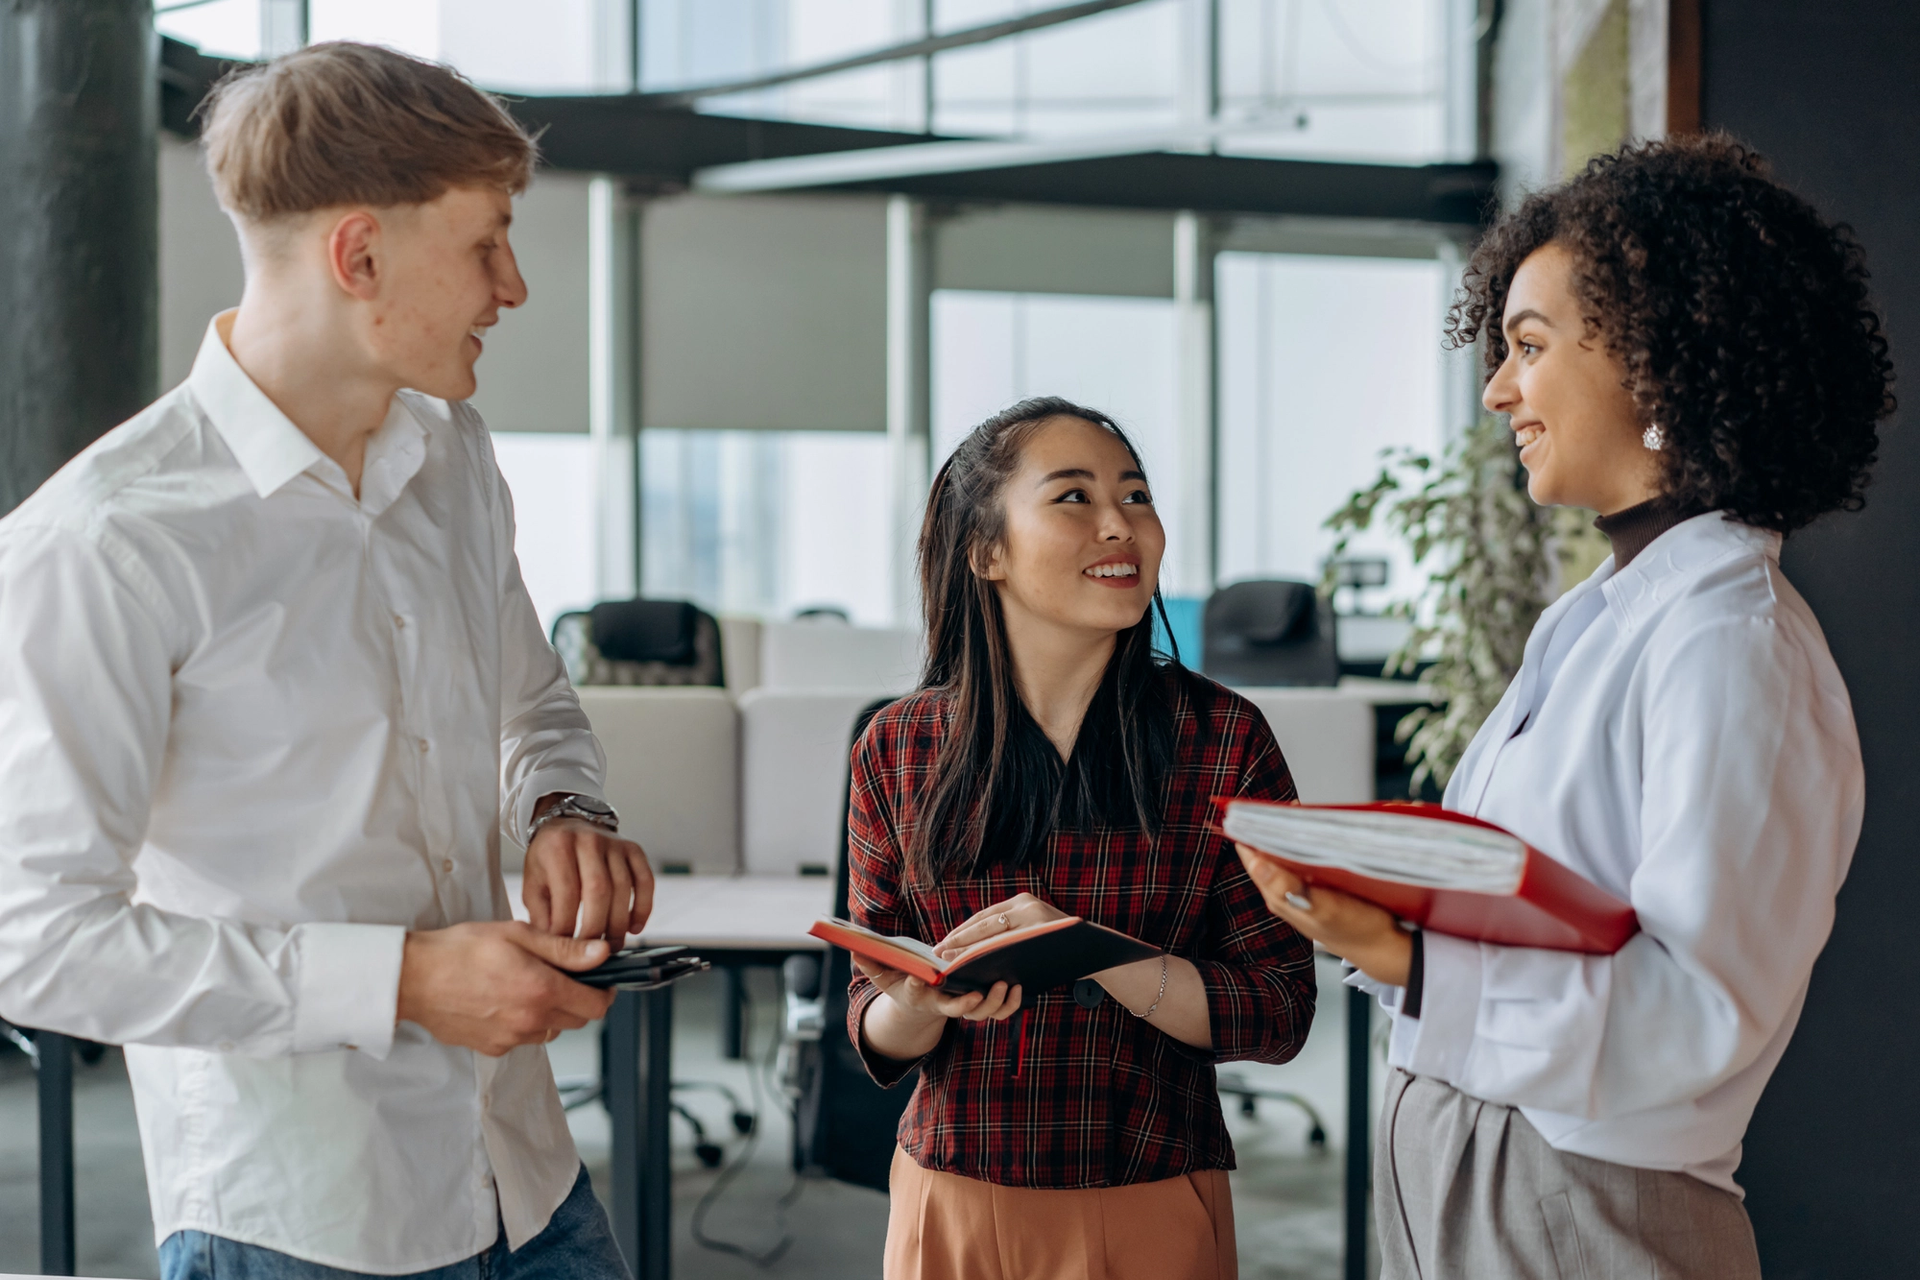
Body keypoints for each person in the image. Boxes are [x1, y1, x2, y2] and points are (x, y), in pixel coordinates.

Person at [0, 44, 655, 1280]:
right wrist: (403, 982)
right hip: (306, 1213)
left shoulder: (453, 457)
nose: (512, 286)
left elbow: (533, 706)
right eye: (486, 244)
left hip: (523, 1170)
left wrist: (562, 805)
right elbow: (35, 936)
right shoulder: (107, 541)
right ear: (358, 256)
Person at [1236, 134, 1892, 1278]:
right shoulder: (1604, 613)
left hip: (1578, 1212)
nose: (1497, 390)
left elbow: (1699, 1007)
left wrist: (1414, 960)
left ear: (1656, 360)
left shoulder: (1733, 645)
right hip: (1482, 1184)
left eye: (1528, 347)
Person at [846, 396, 1318, 1280]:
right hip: (947, 1197)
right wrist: (916, 1002)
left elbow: (1280, 1007)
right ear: (986, 550)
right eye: (1074, 498)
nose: (1121, 525)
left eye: (1136, 496)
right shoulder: (898, 748)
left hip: (1150, 1191)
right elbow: (868, 1019)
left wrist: (1086, 951)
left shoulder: (1224, 739)